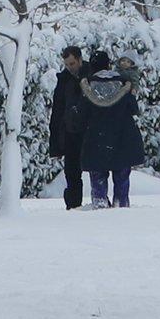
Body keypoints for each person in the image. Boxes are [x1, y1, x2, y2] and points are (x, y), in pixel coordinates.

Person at [79, 54, 142, 210]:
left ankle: (100, 207)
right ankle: (121, 206)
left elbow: (81, 115)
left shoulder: (87, 87)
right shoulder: (124, 85)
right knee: (121, 179)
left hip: (96, 140)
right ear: (108, 65)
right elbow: (134, 109)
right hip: (122, 138)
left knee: (98, 178)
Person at [48, 45, 94, 210]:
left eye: (72, 63)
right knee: (72, 172)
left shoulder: (92, 75)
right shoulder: (64, 81)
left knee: (96, 170)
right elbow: (57, 111)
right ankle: (73, 205)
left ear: (80, 60)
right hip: (70, 132)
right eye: (67, 64)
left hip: (90, 131)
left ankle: (99, 200)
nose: (69, 67)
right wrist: (55, 144)